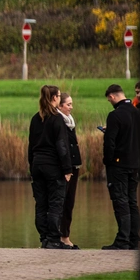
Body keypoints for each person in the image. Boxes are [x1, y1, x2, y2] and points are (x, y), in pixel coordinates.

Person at [27, 84, 73, 249]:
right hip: (53, 166)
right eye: (59, 96)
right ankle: (54, 239)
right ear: (54, 98)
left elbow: (31, 145)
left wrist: (32, 165)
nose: (60, 98)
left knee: (41, 204)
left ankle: (44, 238)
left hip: (37, 165)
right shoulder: (56, 119)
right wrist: (67, 169)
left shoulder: (35, 118)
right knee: (55, 203)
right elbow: (62, 145)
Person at [101, 84, 140, 250]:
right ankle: (133, 239)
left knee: (120, 201)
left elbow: (109, 143)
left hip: (118, 165)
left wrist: (108, 160)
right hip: (135, 164)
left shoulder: (115, 116)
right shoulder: (137, 114)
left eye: (109, 99)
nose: (110, 102)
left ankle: (122, 240)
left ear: (112, 97)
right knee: (132, 201)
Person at [56, 92, 82, 248]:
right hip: (65, 168)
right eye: (68, 104)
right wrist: (66, 168)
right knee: (61, 201)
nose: (71, 107)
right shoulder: (58, 122)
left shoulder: (70, 122)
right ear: (60, 106)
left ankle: (65, 235)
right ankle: (58, 235)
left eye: (71, 104)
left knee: (70, 202)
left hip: (74, 166)